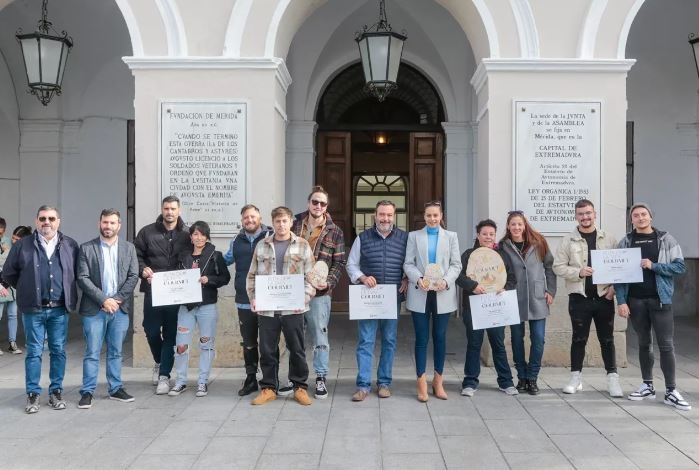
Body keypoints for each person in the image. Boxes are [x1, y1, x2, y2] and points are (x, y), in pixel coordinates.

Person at [0, 206, 79, 413]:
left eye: (51, 218)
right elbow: (9, 273)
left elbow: (77, 273)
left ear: (58, 221)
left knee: (58, 351)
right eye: (42, 218)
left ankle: (56, 392)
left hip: (59, 309)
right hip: (33, 309)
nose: (47, 222)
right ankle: (33, 394)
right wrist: (26, 288)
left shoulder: (70, 245)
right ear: (36, 221)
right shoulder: (23, 246)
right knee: (34, 352)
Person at [615, 203, 690, 410]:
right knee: (643, 343)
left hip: (660, 300)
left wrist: (654, 265)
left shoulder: (666, 240)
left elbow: (680, 266)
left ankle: (671, 390)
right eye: (636, 215)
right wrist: (621, 301)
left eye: (643, 214)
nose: (640, 218)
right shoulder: (626, 242)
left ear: (650, 217)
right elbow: (618, 275)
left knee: (666, 345)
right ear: (632, 220)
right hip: (636, 301)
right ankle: (647, 385)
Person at [246, 206, 316, 406]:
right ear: (272, 223)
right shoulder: (262, 246)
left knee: (297, 349)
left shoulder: (302, 245)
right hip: (267, 308)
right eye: (277, 221)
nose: (281, 224)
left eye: (285, 221)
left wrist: (303, 299)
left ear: (291, 222)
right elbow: (252, 275)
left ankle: (300, 387)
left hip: (293, 308)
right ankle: (269, 388)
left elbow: (310, 277)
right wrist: (253, 298)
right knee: (267, 349)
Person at [552, 199, 622, 397]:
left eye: (588, 213)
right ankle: (575, 378)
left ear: (595, 214)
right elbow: (558, 267)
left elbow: (621, 267)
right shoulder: (568, 240)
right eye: (581, 214)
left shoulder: (608, 238)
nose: (585, 217)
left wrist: (613, 289)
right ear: (576, 216)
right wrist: (579, 272)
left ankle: (612, 379)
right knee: (578, 339)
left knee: (607, 339)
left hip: (604, 297)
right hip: (579, 297)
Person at [76, 209, 139, 409]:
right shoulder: (87, 248)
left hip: (119, 310)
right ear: (99, 223)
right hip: (95, 308)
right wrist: (104, 299)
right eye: (105, 222)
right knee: (92, 352)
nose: (108, 226)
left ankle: (115, 388)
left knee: (116, 351)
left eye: (112, 223)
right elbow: (82, 277)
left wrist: (117, 299)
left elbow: (133, 275)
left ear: (119, 225)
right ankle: (87, 391)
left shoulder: (129, 248)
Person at [346, 200, 408, 401]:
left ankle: (384, 383)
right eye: (382, 214)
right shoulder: (362, 238)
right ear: (375, 215)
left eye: (389, 215)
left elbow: (411, 263)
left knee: (389, 341)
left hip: (391, 299)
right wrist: (363, 277)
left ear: (394, 216)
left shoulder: (404, 238)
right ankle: (363, 386)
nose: (385, 219)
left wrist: (406, 278)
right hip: (368, 300)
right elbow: (351, 265)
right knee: (366, 341)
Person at [291, 185, 346, 399]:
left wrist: (329, 283)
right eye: (315, 202)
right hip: (294, 290)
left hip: (320, 294)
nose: (318, 206)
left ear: (327, 206)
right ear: (308, 203)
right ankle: (296, 378)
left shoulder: (335, 231)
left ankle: (321, 377)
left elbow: (339, 262)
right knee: (295, 337)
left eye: (323, 203)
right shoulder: (294, 223)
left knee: (320, 336)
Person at [403, 201, 461, 402]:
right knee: (421, 339)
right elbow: (408, 263)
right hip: (421, 292)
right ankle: (421, 381)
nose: (432, 219)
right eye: (428, 215)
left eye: (435, 215)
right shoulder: (414, 236)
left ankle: (438, 381)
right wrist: (418, 279)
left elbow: (456, 264)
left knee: (440, 338)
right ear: (424, 216)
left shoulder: (451, 237)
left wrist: (446, 281)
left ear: (441, 215)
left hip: (443, 293)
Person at [456, 219, 519, 397]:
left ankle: (506, 382)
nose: (488, 237)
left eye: (491, 234)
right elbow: (459, 276)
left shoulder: (502, 255)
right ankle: (470, 382)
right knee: (474, 344)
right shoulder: (469, 255)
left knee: (498, 344)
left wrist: (505, 288)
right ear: (478, 235)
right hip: (474, 306)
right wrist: (473, 286)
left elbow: (512, 278)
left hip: (496, 305)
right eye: (485, 234)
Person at [134, 195, 190, 395]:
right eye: (166, 208)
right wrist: (143, 269)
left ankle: (164, 376)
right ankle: (159, 361)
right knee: (149, 329)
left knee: (171, 334)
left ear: (179, 210)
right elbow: (136, 254)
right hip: (153, 290)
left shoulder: (187, 234)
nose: (169, 212)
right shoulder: (147, 232)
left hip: (177, 294)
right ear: (162, 209)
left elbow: (194, 257)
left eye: (173, 209)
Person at [168, 221, 231, 397]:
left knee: (206, 344)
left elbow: (225, 278)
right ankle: (180, 381)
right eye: (195, 234)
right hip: (186, 307)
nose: (199, 238)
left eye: (202, 234)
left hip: (207, 306)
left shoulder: (215, 255)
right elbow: (173, 278)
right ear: (190, 237)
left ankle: (202, 381)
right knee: (181, 344)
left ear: (207, 236)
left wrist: (208, 279)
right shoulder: (183, 256)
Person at [500, 211, 556, 395]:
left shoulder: (538, 241)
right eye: (513, 224)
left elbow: (549, 266)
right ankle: (522, 377)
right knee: (516, 338)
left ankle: (533, 378)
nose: (516, 228)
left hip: (538, 296)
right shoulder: (502, 246)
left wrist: (551, 290)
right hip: (513, 297)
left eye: (519, 224)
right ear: (508, 226)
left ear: (525, 225)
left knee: (538, 339)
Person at [223, 204, 273, 396]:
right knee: (249, 342)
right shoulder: (236, 240)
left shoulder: (270, 236)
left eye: (253, 217)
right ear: (242, 220)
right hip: (244, 299)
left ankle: (270, 380)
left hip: (269, 299)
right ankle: (251, 378)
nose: (250, 220)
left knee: (269, 342)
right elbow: (225, 260)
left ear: (259, 218)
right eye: (246, 218)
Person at [0, 226, 33, 355]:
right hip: (2, 287)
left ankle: (12, 343)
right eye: (13, 238)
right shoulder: (5, 243)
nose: (14, 241)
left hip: (14, 288)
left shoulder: (26, 250)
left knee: (13, 315)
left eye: (17, 239)